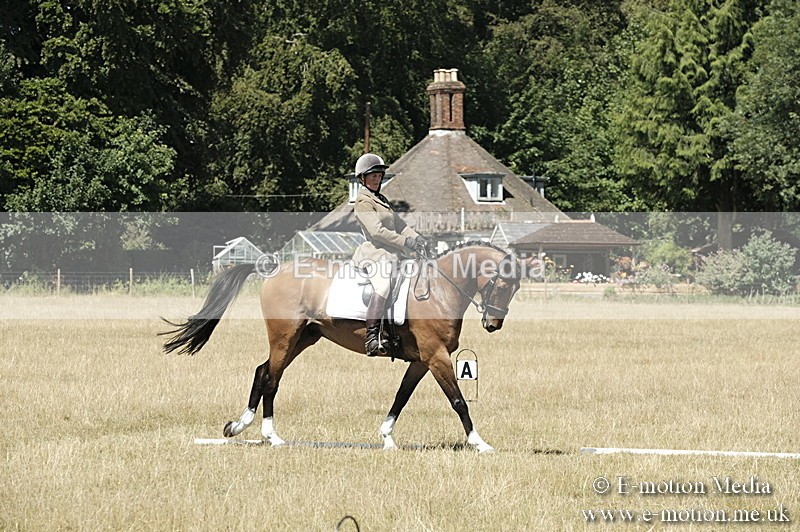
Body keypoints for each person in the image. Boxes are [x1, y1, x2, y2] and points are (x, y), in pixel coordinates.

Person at [351, 153, 429, 356]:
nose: (377, 179)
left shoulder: (380, 199)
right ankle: (372, 338)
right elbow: (377, 231)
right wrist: (405, 242)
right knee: (383, 285)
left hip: (393, 254)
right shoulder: (363, 201)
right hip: (375, 254)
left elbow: (400, 225)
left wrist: (417, 238)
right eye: (373, 176)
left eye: (379, 175)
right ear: (362, 178)